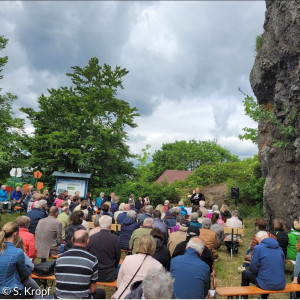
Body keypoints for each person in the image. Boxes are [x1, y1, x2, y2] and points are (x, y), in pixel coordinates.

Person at [54, 230, 106, 299]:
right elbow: (93, 289)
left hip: (59, 297)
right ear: (87, 241)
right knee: (101, 293)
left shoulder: (60, 258)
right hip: (82, 298)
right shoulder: (92, 260)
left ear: (72, 240)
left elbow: (57, 282)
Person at [112, 235, 162, 299]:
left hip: (122, 296)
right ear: (154, 246)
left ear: (138, 245)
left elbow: (119, 282)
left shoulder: (128, 259)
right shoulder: (158, 266)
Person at [241, 231, 286, 298]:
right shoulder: (279, 249)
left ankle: (244, 298)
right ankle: (262, 298)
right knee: (266, 275)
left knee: (245, 273)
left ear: (258, 239)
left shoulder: (258, 248)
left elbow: (252, 269)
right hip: (281, 284)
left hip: (266, 284)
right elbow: (282, 266)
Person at [0, 222, 31, 298]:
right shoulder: (17, 252)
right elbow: (25, 273)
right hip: (10, 291)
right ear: (15, 234)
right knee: (32, 290)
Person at [88, 215, 121, 282]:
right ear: (110, 225)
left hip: (93, 274)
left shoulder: (91, 238)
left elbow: (88, 255)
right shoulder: (115, 239)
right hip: (108, 274)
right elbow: (117, 258)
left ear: (99, 224)